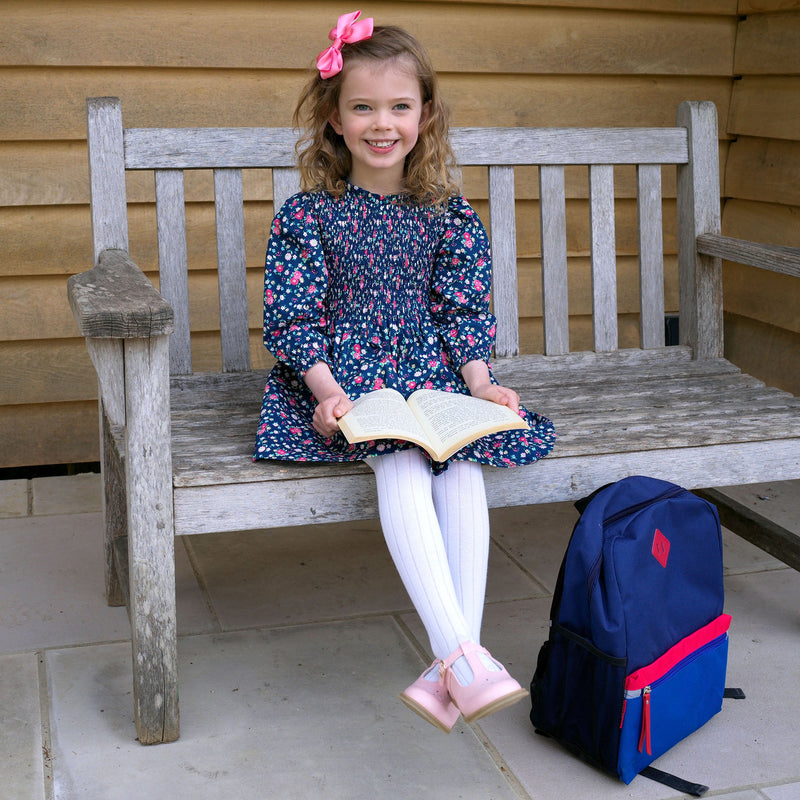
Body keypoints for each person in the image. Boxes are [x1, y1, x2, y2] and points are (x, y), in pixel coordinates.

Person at [254, 10, 556, 732]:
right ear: (333, 117)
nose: (381, 123)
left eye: (399, 106)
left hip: (434, 379)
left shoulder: (448, 214)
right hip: (347, 383)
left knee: (461, 462)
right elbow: (295, 319)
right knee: (398, 458)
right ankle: (464, 658)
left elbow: (462, 311)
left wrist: (480, 384)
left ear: (425, 114)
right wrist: (328, 396)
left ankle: (451, 669)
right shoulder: (309, 215)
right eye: (362, 107)